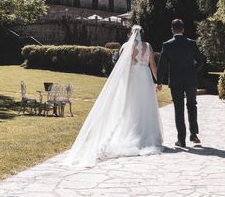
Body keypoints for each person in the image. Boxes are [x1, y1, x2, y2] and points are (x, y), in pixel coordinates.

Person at [64, 25, 163, 167]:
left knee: (130, 107)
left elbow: (121, 67)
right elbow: (153, 65)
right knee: (145, 106)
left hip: (132, 79)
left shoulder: (126, 46)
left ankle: (130, 133)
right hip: (145, 79)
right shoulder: (148, 46)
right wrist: (158, 81)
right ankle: (146, 135)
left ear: (131, 33)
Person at [156, 18, 205, 148]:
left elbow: (161, 65)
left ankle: (181, 139)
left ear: (172, 30)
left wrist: (159, 82)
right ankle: (193, 134)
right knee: (192, 105)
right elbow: (201, 60)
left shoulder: (167, 45)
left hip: (176, 81)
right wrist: (194, 71)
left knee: (179, 109)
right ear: (183, 29)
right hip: (191, 80)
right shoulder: (192, 43)